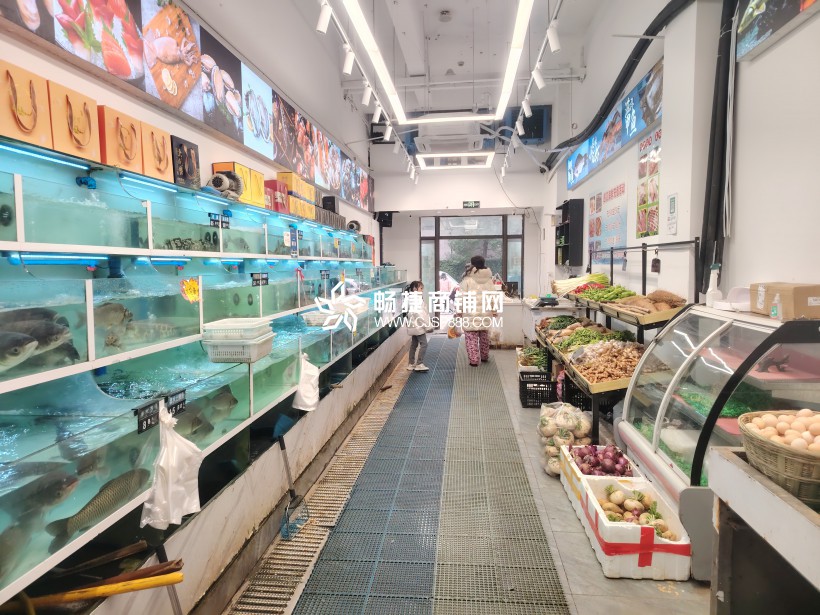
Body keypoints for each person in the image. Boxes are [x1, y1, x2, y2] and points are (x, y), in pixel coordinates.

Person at [458, 256, 497, 366]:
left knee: (471, 337)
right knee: (484, 336)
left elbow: (461, 297)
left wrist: (459, 310)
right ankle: (484, 356)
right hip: (486, 313)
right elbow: (493, 296)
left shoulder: (467, 280)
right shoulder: (489, 280)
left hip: (470, 314)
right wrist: (494, 310)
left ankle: (474, 360)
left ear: (472, 264)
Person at [405, 280, 433, 372]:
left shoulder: (411, 297)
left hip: (414, 325)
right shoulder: (416, 299)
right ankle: (419, 364)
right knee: (424, 344)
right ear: (415, 288)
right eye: (421, 288)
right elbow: (419, 314)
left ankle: (411, 364)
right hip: (418, 325)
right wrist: (427, 325)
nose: (422, 290)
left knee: (414, 344)